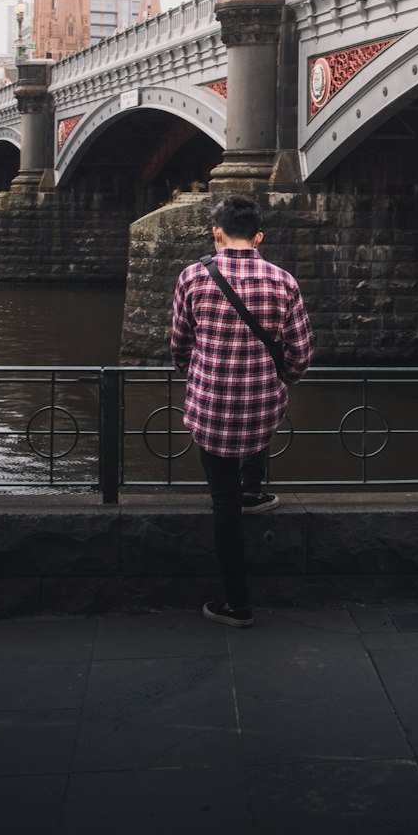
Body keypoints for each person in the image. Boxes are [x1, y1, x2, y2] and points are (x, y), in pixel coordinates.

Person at [170, 193, 313, 627]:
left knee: (222, 505)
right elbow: (301, 353)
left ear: (216, 233)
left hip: (212, 407)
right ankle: (254, 489)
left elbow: (179, 344)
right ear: (259, 237)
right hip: (262, 410)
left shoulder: (193, 277)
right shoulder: (283, 281)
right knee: (258, 411)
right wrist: (279, 377)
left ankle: (238, 603)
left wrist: (197, 372)